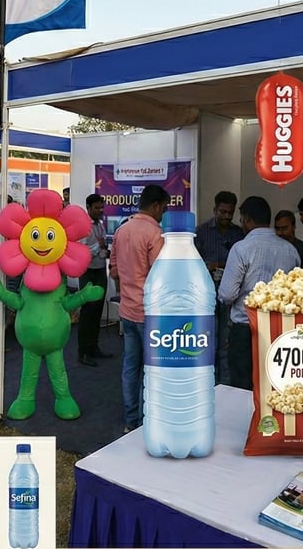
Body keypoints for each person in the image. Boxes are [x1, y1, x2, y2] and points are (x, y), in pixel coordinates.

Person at [218, 196, 300, 390]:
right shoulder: (290, 250)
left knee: (242, 387)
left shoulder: (241, 249)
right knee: (274, 386)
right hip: (279, 328)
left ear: (247, 219)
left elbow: (227, 294)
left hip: (245, 330)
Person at [109, 184, 170, 434]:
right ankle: (146, 423)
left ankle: (130, 421)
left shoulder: (121, 230)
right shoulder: (156, 234)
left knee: (130, 367)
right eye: (164, 208)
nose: (164, 213)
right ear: (155, 206)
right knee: (152, 370)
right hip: (150, 314)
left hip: (127, 311)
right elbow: (161, 276)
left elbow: (114, 270)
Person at [195, 191, 244, 385]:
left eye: (230, 213)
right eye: (223, 212)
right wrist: (207, 266)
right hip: (206, 294)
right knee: (207, 340)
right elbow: (192, 263)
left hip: (230, 294)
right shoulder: (201, 232)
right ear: (215, 209)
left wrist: (223, 266)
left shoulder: (238, 233)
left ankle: (224, 385)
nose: (226, 216)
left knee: (225, 343)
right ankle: (207, 384)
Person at [77, 194, 112, 366]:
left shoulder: (100, 225)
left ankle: (93, 347)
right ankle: (83, 352)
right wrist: (99, 246)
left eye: (102, 207)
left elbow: (102, 247)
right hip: (88, 272)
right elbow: (82, 252)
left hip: (100, 270)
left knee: (98, 310)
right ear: (88, 207)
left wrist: (104, 249)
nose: (100, 210)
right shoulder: (83, 226)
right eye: (97, 208)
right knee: (88, 312)